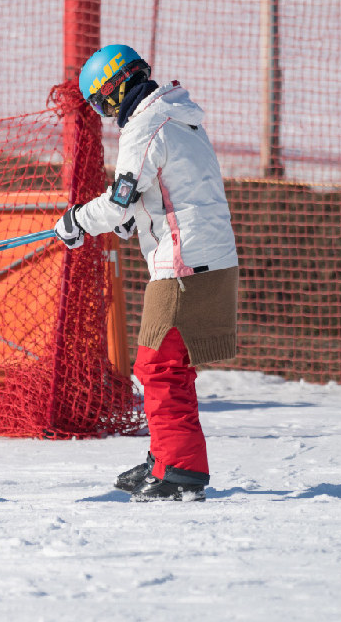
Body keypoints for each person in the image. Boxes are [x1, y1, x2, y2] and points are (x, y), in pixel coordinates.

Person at [53, 46, 239, 502]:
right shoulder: (178, 116)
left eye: (100, 104)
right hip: (211, 255)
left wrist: (77, 220)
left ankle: (179, 470)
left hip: (184, 263)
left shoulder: (146, 126)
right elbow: (162, 190)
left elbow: (120, 198)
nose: (104, 113)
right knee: (167, 365)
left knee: (158, 366)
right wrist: (129, 218)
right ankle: (166, 459)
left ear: (114, 91)